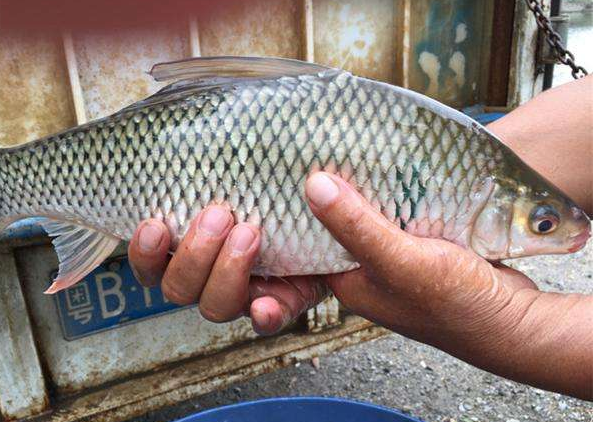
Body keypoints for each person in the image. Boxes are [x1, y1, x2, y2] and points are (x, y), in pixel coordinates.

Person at [128, 75, 593, 400]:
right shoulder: (465, 177)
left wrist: (518, 322)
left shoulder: (467, 174)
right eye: (544, 224)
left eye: (542, 223)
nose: (571, 238)